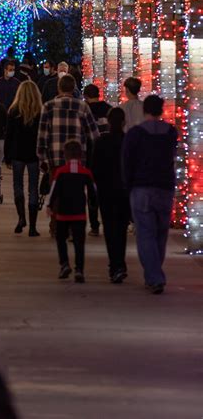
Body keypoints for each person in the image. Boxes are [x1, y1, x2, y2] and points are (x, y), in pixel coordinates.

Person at [122, 94, 178, 295]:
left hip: (141, 187)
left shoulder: (135, 134)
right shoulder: (171, 132)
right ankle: (154, 272)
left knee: (145, 233)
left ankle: (154, 276)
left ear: (145, 110)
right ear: (161, 110)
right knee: (161, 233)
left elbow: (127, 162)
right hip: (164, 187)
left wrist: (127, 185)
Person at [47, 140, 97, 283]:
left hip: (63, 214)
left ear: (65, 156)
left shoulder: (60, 172)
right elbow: (93, 192)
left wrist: (49, 206)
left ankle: (64, 264)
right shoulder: (85, 172)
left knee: (60, 239)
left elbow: (54, 191)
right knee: (79, 243)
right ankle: (79, 270)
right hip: (79, 213)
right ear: (81, 155)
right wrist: (93, 204)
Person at [91, 107, 130, 284]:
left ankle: (114, 265)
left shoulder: (101, 141)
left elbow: (94, 167)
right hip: (123, 191)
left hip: (106, 190)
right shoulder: (128, 141)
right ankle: (120, 264)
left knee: (109, 227)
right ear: (124, 122)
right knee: (121, 228)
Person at [37, 74, 99, 180]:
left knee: (57, 192)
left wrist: (43, 161)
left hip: (55, 159)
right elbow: (94, 135)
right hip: (78, 160)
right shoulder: (82, 106)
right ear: (73, 88)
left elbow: (42, 137)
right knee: (76, 192)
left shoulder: (48, 107)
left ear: (59, 87)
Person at [4, 80, 42, 236]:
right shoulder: (40, 111)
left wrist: (7, 156)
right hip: (34, 154)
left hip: (17, 153)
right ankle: (33, 226)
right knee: (33, 189)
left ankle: (21, 218)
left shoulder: (13, 112)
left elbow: (9, 136)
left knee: (18, 186)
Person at [83, 83, 113, 236]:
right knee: (107, 190)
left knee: (92, 192)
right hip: (108, 155)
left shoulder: (85, 110)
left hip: (90, 155)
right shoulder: (109, 109)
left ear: (86, 96)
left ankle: (94, 225)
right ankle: (109, 221)